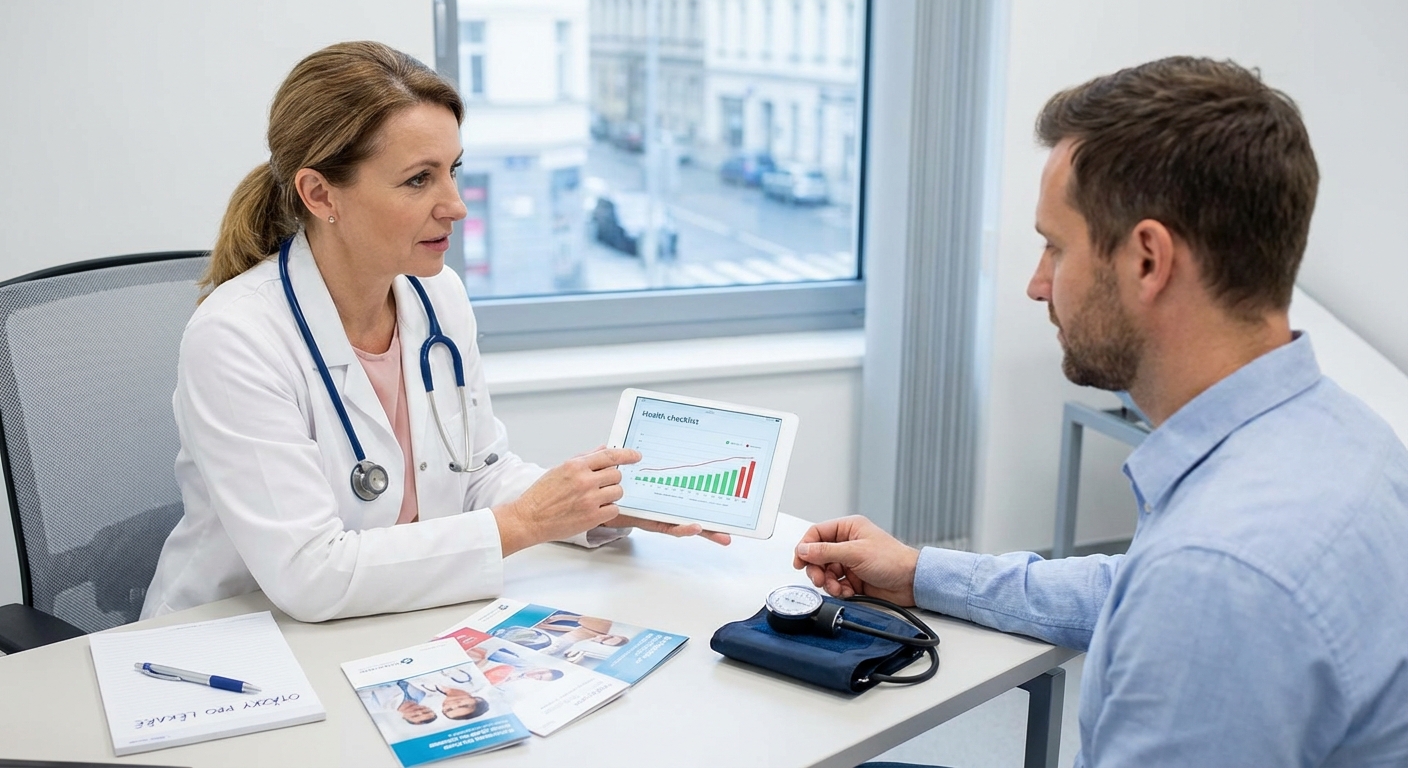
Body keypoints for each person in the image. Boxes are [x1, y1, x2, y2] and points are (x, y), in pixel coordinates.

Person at [794, 57, 1408, 766]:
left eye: (1056, 246)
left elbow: (1189, 589)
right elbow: (1136, 585)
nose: (1035, 284)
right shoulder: (1344, 436)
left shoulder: (1217, 575)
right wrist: (919, 571)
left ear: (1147, 260)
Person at [142, 41, 727, 624]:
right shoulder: (236, 336)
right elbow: (311, 573)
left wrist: (589, 505)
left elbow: (480, 476)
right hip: (237, 644)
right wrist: (527, 523)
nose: (456, 205)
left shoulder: (435, 295)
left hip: (393, 623)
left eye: (454, 170)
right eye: (419, 180)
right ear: (320, 194)